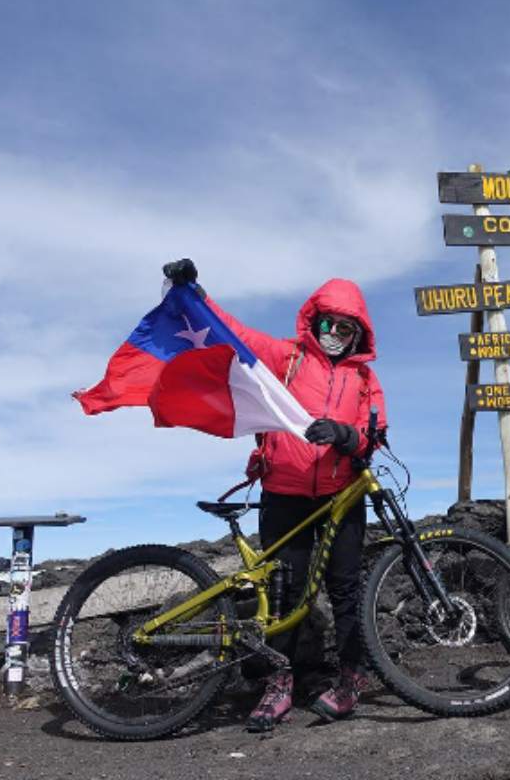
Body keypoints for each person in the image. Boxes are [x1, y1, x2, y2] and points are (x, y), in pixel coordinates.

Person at [163, 258, 387, 729]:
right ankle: (278, 683)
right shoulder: (287, 357)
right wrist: (195, 294)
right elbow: (232, 333)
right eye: (330, 323)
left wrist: (348, 437)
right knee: (283, 596)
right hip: (283, 493)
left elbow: (375, 431)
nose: (337, 333)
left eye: (347, 328)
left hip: (341, 497)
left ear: (358, 334)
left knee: (346, 593)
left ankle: (349, 679)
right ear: (315, 320)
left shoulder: (365, 379)